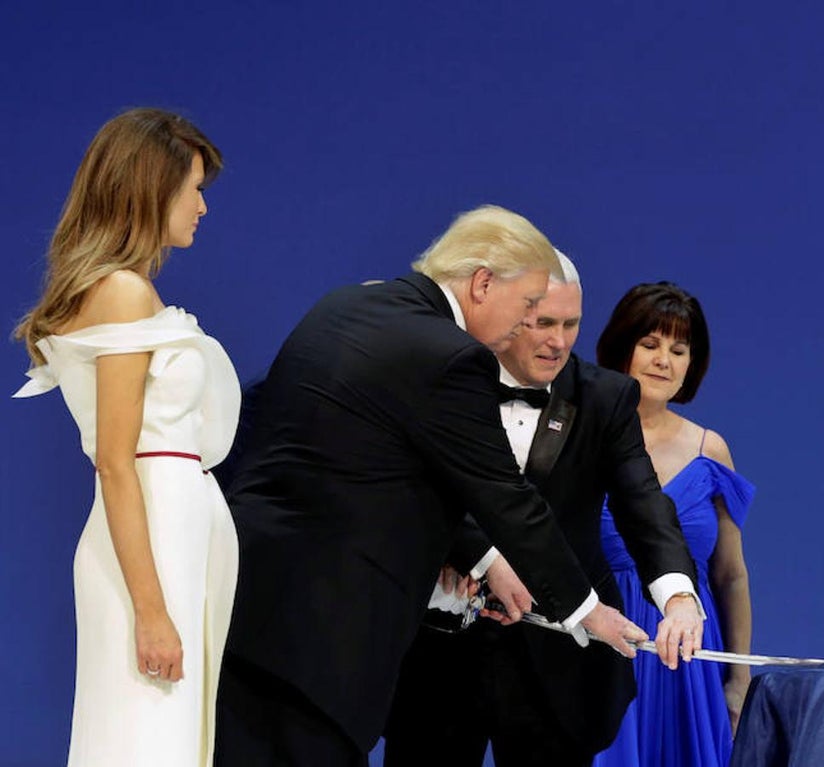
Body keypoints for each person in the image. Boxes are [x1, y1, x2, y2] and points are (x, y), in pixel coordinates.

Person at [214, 206, 652, 766]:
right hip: (331, 635)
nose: (526, 326)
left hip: (250, 603)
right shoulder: (451, 356)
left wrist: (482, 557)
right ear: (482, 283)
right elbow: (502, 494)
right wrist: (585, 611)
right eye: (525, 307)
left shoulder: (345, 306)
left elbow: (357, 458)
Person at [384, 253, 705, 766]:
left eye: (571, 324)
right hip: (437, 651)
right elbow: (414, 486)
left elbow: (642, 502)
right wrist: (465, 551)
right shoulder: (441, 380)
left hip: (562, 665)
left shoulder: (606, 397)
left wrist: (678, 596)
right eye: (542, 323)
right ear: (509, 315)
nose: (559, 341)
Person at [12, 109, 238, 766]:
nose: (201, 207)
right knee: (147, 742)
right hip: (151, 547)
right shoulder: (122, 292)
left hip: (169, 539)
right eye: (193, 189)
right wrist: (152, 609)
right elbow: (115, 460)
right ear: (151, 187)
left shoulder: (122, 289)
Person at [593, 282, 755, 767]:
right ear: (623, 348)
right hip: (601, 652)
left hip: (688, 665)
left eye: (678, 349)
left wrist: (738, 679)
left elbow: (731, 574)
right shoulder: (581, 435)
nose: (664, 359)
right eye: (650, 344)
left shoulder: (710, 450)